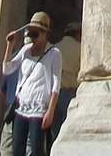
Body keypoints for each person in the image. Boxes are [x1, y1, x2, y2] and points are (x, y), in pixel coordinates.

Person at [2, 11, 61, 156]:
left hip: (39, 109)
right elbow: (7, 69)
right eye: (30, 33)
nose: (32, 37)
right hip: (21, 106)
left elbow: (56, 83)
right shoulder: (26, 50)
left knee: (37, 150)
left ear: (44, 33)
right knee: (17, 149)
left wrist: (50, 111)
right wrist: (9, 46)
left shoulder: (54, 53)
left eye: (35, 34)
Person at [48, 22, 81, 151]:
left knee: (55, 135)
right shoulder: (80, 49)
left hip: (54, 97)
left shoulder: (54, 49)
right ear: (78, 34)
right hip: (71, 95)